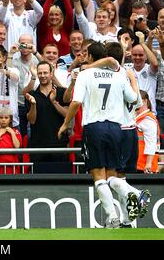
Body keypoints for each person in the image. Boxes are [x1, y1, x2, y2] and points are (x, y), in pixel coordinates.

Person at [58, 42, 138, 228]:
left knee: (98, 175)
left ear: (91, 57)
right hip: (116, 128)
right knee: (112, 175)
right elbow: (133, 99)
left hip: (94, 127)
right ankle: (126, 200)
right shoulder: (119, 75)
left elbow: (76, 102)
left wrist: (65, 124)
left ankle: (115, 214)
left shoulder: (85, 74)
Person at [0, 107, 23, 174]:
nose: (3, 120)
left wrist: (12, 133)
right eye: (1, 117)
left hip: (13, 165)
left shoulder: (16, 132)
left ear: (10, 119)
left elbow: (17, 146)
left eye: (6, 118)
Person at [135, 89, 160, 174]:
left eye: (138, 100)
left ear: (145, 101)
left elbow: (151, 143)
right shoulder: (139, 118)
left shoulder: (147, 119)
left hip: (143, 166)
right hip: (139, 164)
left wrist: (148, 164)